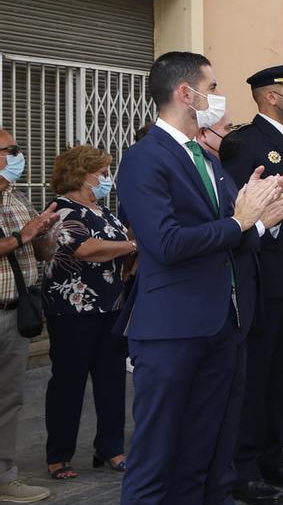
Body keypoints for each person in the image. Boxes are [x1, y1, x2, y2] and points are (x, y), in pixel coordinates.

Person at [117, 51, 283, 504]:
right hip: (172, 331)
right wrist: (242, 222)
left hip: (222, 326)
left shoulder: (206, 158)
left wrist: (262, 221)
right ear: (187, 93)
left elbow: (229, 235)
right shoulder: (145, 159)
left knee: (208, 452)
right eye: (213, 87)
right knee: (157, 455)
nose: (218, 98)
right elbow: (166, 244)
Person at [221, 62, 283, 502]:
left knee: (281, 371)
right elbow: (243, 210)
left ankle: (272, 455)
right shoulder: (245, 142)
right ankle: (243, 465)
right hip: (260, 274)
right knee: (256, 373)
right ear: (269, 96)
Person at [43, 146, 134, 481]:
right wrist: (133, 247)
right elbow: (86, 250)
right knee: (69, 382)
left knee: (111, 381)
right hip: (73, 310)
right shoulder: (63, 211)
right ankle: (58, 455)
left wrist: (128, 253)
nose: (106, 179)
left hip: (110, 306)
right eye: (101, 172)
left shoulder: (102, 211)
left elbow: (119, 240)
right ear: (81, 175)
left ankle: (110, 448)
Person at [0, 132, 58, 504]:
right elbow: (16, 240)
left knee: (9, 400)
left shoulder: (17, 197)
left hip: (14, 314)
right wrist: (25, 234)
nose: (19, 156)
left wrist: (44, 236)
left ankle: (5, 478)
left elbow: (36, 251)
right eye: (12, 150)